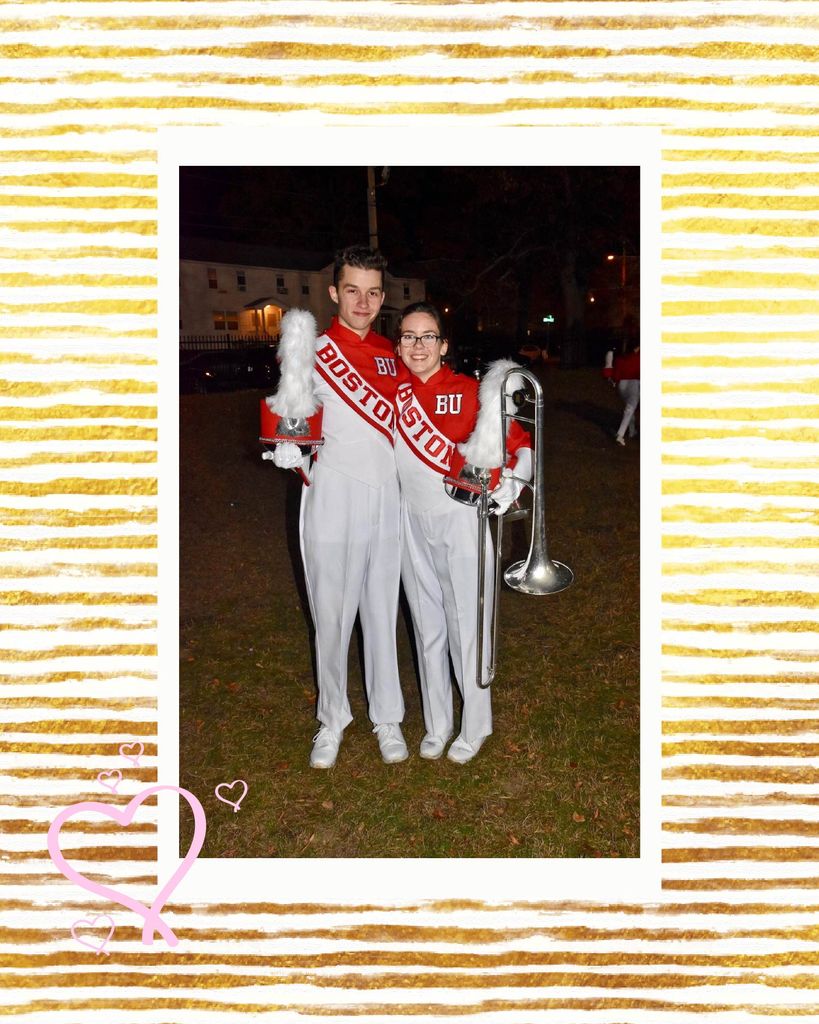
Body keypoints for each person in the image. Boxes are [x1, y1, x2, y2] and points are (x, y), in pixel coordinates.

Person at [272, 246, 410, 769]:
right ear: (334, 292)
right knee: (331, 610)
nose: (363, 301)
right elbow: (291, 413)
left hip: (385, 492)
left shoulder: (392, 354)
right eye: (352, 290)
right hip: (331, 489)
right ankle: (332, 718)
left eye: (373, 292)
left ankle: (388, 716)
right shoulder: (312, 347)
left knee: (380, 608)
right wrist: (292, 443)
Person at [393, 302, 532, 764]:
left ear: (443, 344)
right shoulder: (391, 394)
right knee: (426, 623)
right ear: (399, 344)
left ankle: (475, 725)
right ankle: (438, 723)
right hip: (410, 521)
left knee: (467, 626)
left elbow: (520, 446)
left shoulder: (471, 390)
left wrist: (508, 491)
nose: (417, 345)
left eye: (427, 336)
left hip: (461, 520)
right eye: (409, 336)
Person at [604, 337, 640, 446]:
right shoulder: (639, 357)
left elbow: (612, 370)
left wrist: (612, 379)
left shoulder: (621, 357)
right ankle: (620, 434)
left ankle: (632, 431)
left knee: (630, 408)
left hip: (621, 385)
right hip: (634, 383)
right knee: (630, 409)